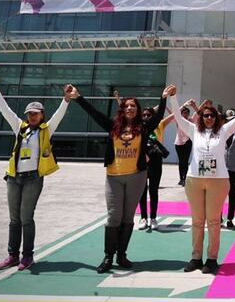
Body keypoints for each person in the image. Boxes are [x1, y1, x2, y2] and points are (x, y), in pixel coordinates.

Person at [72, 84, 173, 274]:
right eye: (126, 106)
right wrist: (78, 97)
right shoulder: (113, 126)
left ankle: (122, 254)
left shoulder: (143, 127)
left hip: (136, 176)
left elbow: (158, 118)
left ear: (138, 110)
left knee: (127, 217)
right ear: (122, 109)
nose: (129, 108)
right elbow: (94, 114)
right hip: (114, 177)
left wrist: (163, 97)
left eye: (133, 106)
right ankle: (108, 256)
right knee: (113, 216)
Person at [169, 86, 235, 274]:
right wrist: (173, 98)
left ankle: (212, 258)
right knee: (197, 220)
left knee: (214, 221)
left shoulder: (224, 131)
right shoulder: (192, 130)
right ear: (200, 117)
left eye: (212, 116)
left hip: (218, 181)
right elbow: (177, 116)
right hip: (194, 181)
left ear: (217, 118)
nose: (208, 118)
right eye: (205, 115)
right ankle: (196, 257)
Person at [0, 77, 72, 272]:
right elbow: (5, 111)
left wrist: (66, 98)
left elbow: (59, 115)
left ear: (42, 115)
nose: (32, 116)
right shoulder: (20, 127)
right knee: (14, 219)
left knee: (26, 217)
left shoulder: (46, 130)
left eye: (35, 114)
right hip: (13, 178)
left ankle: (27, 257)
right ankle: (12, 256)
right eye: (29, 114)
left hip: (33, 178)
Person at [137, 104, 172, 232]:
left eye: (148, 115)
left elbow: (173, 116)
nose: (146, 117)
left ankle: (153, 218)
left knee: (153, 191)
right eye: (144, 115)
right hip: (142, 161)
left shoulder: (159, 125)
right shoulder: (139, 128)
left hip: (156, 161)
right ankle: (143, 218)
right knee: (142, 191)